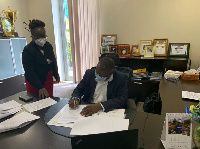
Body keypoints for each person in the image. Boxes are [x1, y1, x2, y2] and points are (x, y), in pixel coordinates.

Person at [22, 19, 60, 98]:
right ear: (32, 37)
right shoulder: (28, 50)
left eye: (44, 36)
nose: (42, 39)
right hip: (34, 80)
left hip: (47, 78)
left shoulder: (48, 46)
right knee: (36, 102)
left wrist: (56, 75)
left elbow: (53, 61)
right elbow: (29, 71)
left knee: (49, 100)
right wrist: (40, 87)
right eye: (38, 37)